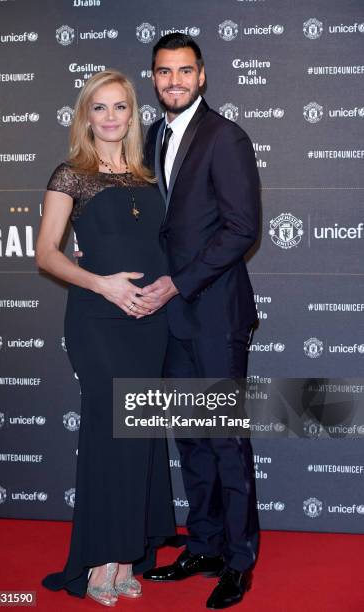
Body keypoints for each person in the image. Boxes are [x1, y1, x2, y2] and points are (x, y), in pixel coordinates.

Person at [36, 70, 175, 607]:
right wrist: (101, 284)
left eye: (121, 107)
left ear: (132, 115)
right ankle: (96, 560)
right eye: (101, 107)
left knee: (137, 436)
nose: (112, 117)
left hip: (150, 322)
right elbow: (47, 253)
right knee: (106, 437)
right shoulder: (71, 175)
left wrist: (163, 288)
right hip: (98, 320)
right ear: (85, 116)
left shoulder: (148, 177)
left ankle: (125, 556)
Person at [139, 34, 260, 609]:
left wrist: (180, 283)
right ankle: (205, 544)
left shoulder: (226, 137)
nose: (174, 82)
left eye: (185, 71)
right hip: (170, 319)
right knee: (190, 441)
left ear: (203, 75)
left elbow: (242, 228)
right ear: (154, 78)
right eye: (164, 72)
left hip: (212, 312)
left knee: (226, 442)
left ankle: (239, 562)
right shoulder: (151, 134)